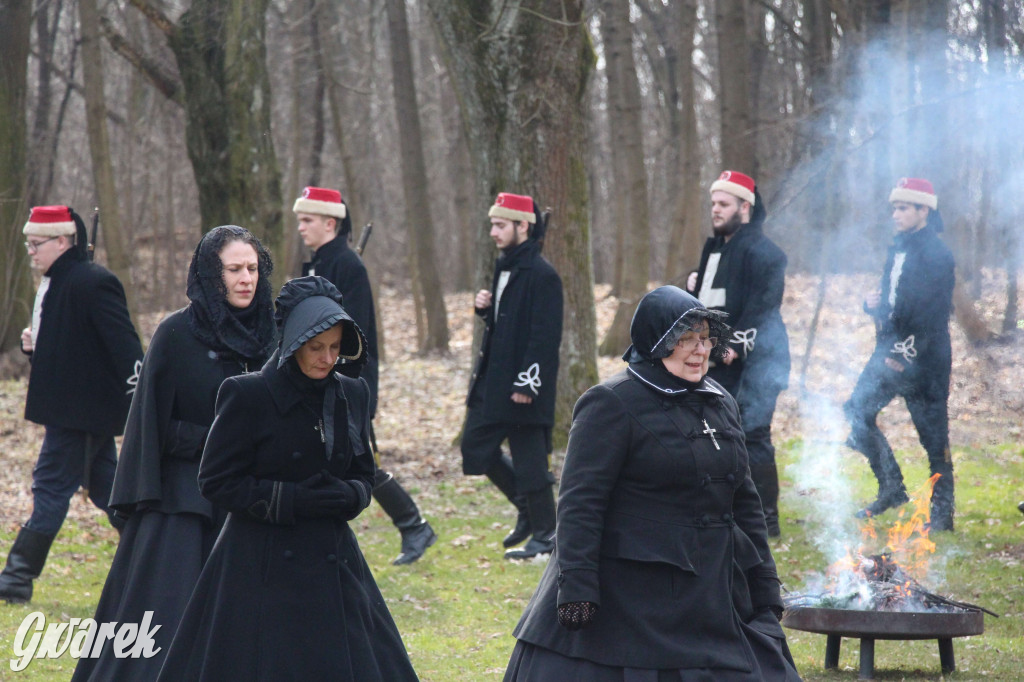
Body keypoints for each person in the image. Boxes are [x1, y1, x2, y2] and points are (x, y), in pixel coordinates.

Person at [504, 286, 800, 681]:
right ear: (656, 342)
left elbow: (744, 499)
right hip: (634, 595)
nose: (700, 350)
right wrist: (576, 586)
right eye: (685, 340)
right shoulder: (610, 402)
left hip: (715, 589)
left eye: (705, 339)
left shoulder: (720, 399)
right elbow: (580, 503)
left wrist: (763, 581)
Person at [156, 276, 419, 680]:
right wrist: (290, 500)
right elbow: (216, 480)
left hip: (333, 562)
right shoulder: (247, 395)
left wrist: (348, 495)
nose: (327, 358)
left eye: (335, 348)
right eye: (316, 347)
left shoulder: (352, 394)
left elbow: (364, 475)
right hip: (258, 565)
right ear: (294, 342)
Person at [72, 226, 276, 680]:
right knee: (165, 629)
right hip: (187, 505)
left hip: (258, 500)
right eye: (234, 269)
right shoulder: (177, 334)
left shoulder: (275, 334)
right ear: (210, 273)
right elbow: (151, 428)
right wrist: (217, 441)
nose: (246, 279)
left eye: (253, 269)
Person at [0, 206, 143, 604]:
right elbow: (73, 349)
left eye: (36, 244)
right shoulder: (59, 281)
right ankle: (155, 552)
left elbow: (126, 349)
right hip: (73, 412)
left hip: (81, 415)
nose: (31, 251)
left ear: (62, 241)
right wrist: (36, 348)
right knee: (112, 493)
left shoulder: (93, 282)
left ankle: (14, 580)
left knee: (49, 487)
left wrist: (141, 401)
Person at [295, 185, 435, 565]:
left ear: (331, 222)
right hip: (319, 380)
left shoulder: (348, 266)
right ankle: (412, 525)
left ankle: (413, 524)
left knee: (358, 462)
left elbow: (350, 335)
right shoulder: (318, 264)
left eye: (307, 220)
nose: (301, 228)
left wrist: (333, 379)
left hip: (345, 382)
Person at [843, 178, 956, 531]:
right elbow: (894, 303)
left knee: (933, 440)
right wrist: (871, 305)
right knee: (856, 411)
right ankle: (891, 487)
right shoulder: (897, 248)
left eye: (904, 208)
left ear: (925, 210)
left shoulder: (938, 254)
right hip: (887, 351)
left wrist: (903, 355)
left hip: (925, 361)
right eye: (894, 207)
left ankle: (942, 515)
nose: (896, 214)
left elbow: (933, 316)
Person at [461, 192, 563, 560]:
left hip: (524, 385)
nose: (493, 232)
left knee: (531, 462)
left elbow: (544, 337)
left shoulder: (544, 275)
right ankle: (525, 507)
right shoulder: (504, 267)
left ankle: (547, 536)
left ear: (523, 226)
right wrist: (485, 310)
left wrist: (528, 383)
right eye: (493, 224)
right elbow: (510, 324)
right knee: (474, 450)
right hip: (494, 380)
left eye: (501, 225)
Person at [691, 170, 791, 537]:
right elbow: (712, 296)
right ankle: (726, 511)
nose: (715, 210)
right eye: (713, 203)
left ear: (745, 207)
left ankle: (767, 521)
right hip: (719, 360)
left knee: (753, 434)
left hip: (762, 361)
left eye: (723, 204)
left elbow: (763, 307)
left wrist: (734, 344)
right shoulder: (716, 247)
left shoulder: (767, 254)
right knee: (713, 433)